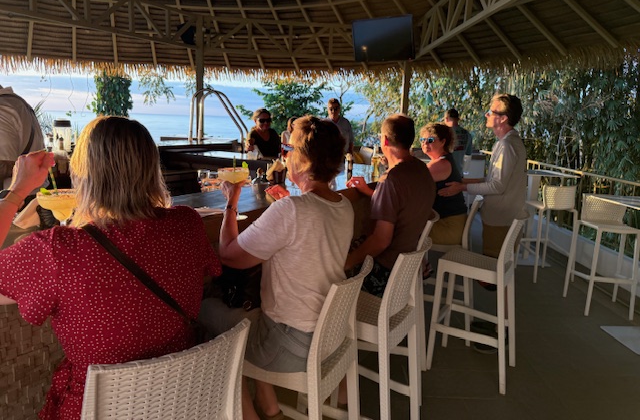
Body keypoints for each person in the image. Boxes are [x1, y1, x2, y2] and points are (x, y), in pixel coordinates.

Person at [0, 117, 221, 420]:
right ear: (151, 169)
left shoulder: (56, 251)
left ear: (82, 173)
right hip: (179, 403)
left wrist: (16, 192)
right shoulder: (186, 225)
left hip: (96, 409)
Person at [200, 116, 354, 420]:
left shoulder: (293, 210)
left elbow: (229, 255)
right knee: (254, 316)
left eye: (289, 150)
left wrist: (231, 202)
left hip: (292, 344)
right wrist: (287, 204)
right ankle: (270, 409)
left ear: (304, 160)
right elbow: (305, 233)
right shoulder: (342, 205)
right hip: (329, 336)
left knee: (204, 313)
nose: (285, 157)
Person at [345, 114, 435, 296]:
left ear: (384, 140)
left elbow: (381, 240)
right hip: (407, 268)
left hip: (386, 273)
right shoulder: (421, 169)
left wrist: (347, 262)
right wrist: (373, 193)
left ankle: (336, 320)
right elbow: (402, 205)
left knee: (340, 257)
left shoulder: (391, 181)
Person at [439, 94, 527, 258]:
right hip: (502, 215)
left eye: (491, 111)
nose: (487, 115)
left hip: (500, 219)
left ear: (502, 119)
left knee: (492, 276)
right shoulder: (507, 142)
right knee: (496, 273)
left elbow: (497, 186)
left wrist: (462, 187)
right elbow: (494, 180)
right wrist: (463, 181)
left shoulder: (507, 146)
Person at [419, 122, 467, 246]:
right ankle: (422, 264)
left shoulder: (441, 164)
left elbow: (411, 182)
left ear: (443, 142)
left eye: (430, 140)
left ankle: (414, 265)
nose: (425, 143)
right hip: (449, 222)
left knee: (403, 231)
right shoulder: (443, 161)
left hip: (448, 227)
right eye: (422, 139)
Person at [0, 84, 45, 189]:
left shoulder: (3, 109)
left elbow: (4, 165)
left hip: (15, 197)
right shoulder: (16, 103)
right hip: (29, 192)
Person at [444, 108, 473, 174]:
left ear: (446, 119)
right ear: (458, 119)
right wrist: (465, 171)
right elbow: (468, 155)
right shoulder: (467, 134)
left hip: (445, 173)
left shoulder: (444, 133)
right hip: (459, 173)